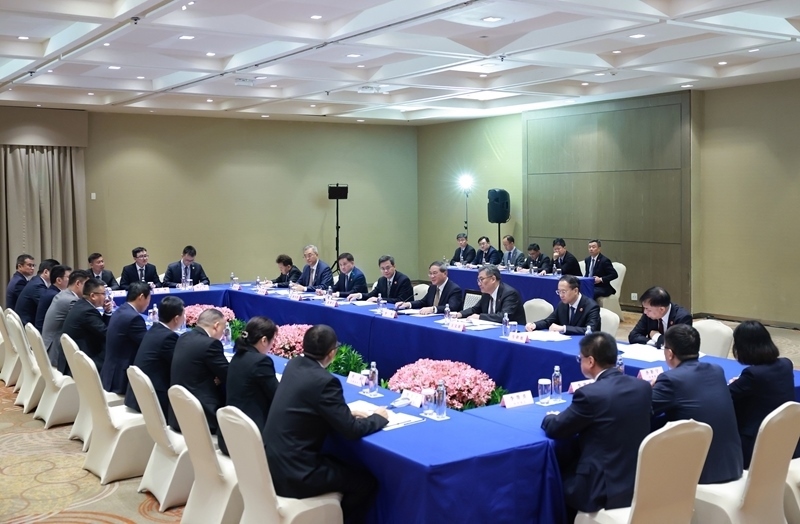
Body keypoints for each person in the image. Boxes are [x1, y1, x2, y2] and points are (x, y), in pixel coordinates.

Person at [264, 325, 388, 523]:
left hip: (271, 464)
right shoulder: (325, 381)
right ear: (331, 353)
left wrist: (342, 413)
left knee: (339, 463)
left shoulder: (294, 364)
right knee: (365, 483)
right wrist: (379, 417)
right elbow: (352, 430)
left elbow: (308, 404)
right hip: (296, 475)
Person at [542, 332, 652, 517]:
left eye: (581, 358)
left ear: (590, 361)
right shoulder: (643, 387)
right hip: (637, 481)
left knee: (550, 479)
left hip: (599, 489)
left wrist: (549, 418)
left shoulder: (590, 395)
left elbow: (557, 429)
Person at [651, 324, 743, 484]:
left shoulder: (671, 380)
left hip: (700, 472)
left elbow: (642, 408)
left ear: (670, 353)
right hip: (732, 465)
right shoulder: (716, 370)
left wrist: (646, 388)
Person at [729, 320, 800, 469]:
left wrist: (737, 383)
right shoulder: (786, 364)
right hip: (787, 437)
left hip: (755, 441)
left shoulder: (752, 374)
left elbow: (727, 394)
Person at [218, 316, 280, 456]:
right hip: (248, 440)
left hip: (226, 436)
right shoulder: (261, 361)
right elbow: (277, 396)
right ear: (264, 340)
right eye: (273, 341)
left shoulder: (237, 356)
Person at [168, 308, 229, 434]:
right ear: (216, 326)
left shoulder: (183, 337)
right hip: (201, 417)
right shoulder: (211, 344)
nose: (222, 334)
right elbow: (228, 375)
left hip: (177, 414)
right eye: (223, 330)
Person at [124, 296, 184, 415]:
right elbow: (179, 366)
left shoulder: (154, 329)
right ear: (176, 319)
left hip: (137, 395)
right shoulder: (168, 337)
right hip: (152, 400)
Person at [101, 282, 151, 395]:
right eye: (149, 298)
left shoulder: (120, 310)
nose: (149, 303)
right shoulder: (134, 318)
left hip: (109, 374)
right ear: (141, 297)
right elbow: (147, 345)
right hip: (120, 380)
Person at [57, 277, 114, 374]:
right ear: (93, 296)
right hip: (80, 361)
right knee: (116, 361)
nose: (106, 297)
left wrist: (107, 312)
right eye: (104, 294)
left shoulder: (81, 304)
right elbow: (106, 333)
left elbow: (101, 329)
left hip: (70, 358)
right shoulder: (88, 312)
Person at [42, 270, 90, 365]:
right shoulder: (71, 300)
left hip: (48, 344)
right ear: (78, 283)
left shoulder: (63, 294)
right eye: (87, 285)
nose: (89, 289)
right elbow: (85, 322)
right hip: (54, 351)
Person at [526, 275, 600, 335]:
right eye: (559, 292)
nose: (561, 295)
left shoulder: (591, 306)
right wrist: (534, 325)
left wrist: (563, 328)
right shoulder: (562, 305)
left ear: (575, 291)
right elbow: (549, 321)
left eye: (563, 292)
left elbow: (590, 330)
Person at [456, 265, 526, 324]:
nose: (479, 284)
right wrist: (459, 314)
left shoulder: (510, 294)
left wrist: (480, 317)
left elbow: (503, 316)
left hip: (512, 331)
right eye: (478, 280)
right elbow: (475, 309)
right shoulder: (486, 293)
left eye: (481, 279)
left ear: (493, 279)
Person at [397, 261, 463, 315]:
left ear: (445, 274)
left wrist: (432, 309)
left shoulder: (454, 289)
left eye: (435, 273)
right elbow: (423, 302)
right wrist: (408, 304)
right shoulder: (432, 287)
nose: (432, 276)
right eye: (430, 273)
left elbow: (452, 307)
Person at [347, 255, 413, 304]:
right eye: (382, 269)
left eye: (388, 268)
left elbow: (401, 300)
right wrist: (359, 295)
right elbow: (372, 295)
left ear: (394, 267)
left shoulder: (403, 280)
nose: (386, 271)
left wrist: (379, 299)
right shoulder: (381, 280)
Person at [14, 258, 60, 326]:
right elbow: (49, 306)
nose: (58, 277)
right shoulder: (37, 286)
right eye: (56, 274)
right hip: (27, 325)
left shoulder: (36, 280)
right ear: (46, 272)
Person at [34, 264, 71, 332]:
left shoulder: (50, 291)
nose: (72, 280)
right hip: (47, 334)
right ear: (59, 280)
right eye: (69, 277)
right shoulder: (56, 296)